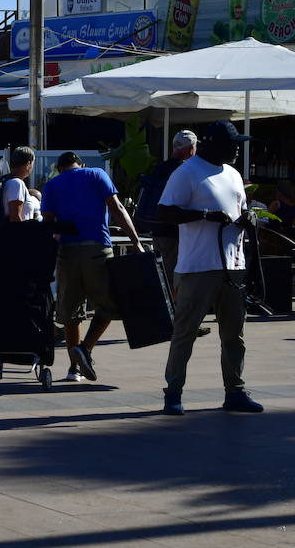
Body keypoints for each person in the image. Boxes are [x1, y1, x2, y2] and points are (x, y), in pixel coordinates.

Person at [157, 121, 264, 416]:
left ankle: (235, 391)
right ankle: (173, 393)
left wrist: (248, 217)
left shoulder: (232, 173)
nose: (237, 149)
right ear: (213, 144)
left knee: (234, 334)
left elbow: (239, 209)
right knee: (185, 332)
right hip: (197, 266)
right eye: (232, 144)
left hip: (233, 264)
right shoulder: (187, 172)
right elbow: (164, 212)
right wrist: (205, 215)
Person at [40, 151, 143, 383]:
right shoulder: (96, 174)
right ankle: (85, 349)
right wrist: (136, 242)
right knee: (109, 306)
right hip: (97, 249)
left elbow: (48, 224)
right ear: (81, 164)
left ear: (58, 168)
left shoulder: (51, 185)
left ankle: (73, 369)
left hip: (66, 253)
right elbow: (117, 208)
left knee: (70, 315)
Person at [136, 131, 198, 292]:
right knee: (174, 275)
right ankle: (173, 312)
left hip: (155, 228)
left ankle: (164, 307)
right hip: (174, 231)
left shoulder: (160, 167)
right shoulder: (185, 171)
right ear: (191, 148)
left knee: (161, 272)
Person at [2, 145, 41, 223]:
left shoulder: (8, 181)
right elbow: (15, 217)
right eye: (33, 163)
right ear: (28, 164)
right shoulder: (17, 183)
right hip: (17, 234)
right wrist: (23, 234)